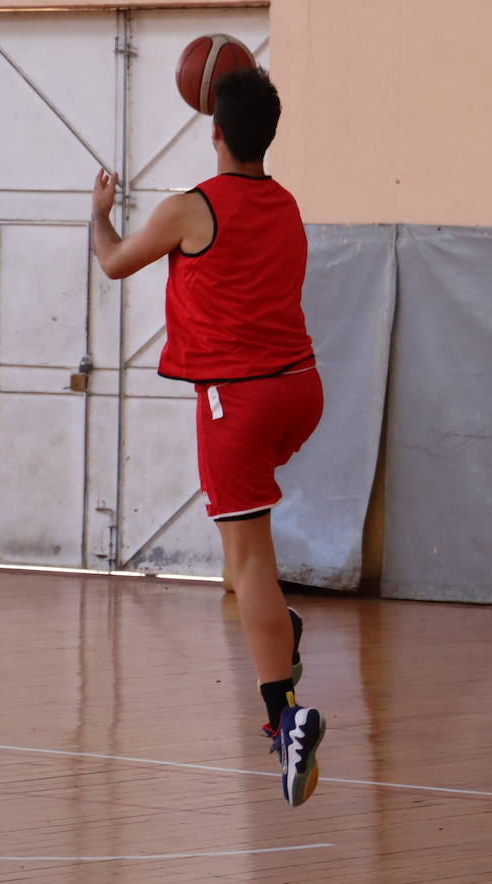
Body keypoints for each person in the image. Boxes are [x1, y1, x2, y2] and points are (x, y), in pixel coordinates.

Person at [89, 67, 325, 807]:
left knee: (250, 562)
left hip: (238, 399)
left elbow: (114, 261)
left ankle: (285, 720)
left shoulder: (190, 210)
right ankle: (276, 631)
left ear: (214, 131)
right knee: (243, 558)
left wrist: (98, 213)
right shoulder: (286, 204)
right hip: (301, 390)